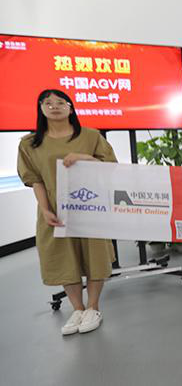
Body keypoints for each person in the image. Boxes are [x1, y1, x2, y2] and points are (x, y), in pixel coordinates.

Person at [17, 89, 117, 335]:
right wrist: (45, 209)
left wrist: (84, 157)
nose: (54, 106)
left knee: (95, 254)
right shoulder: (30, 143)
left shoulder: (91, 136)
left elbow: (110, 167)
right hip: (55, 209)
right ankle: (78, 309)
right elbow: (35, 179)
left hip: (90, 206)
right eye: (47, 102)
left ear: (71, 108)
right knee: (63, 257)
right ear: (40, 109)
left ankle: (93, 307)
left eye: (60, 102)